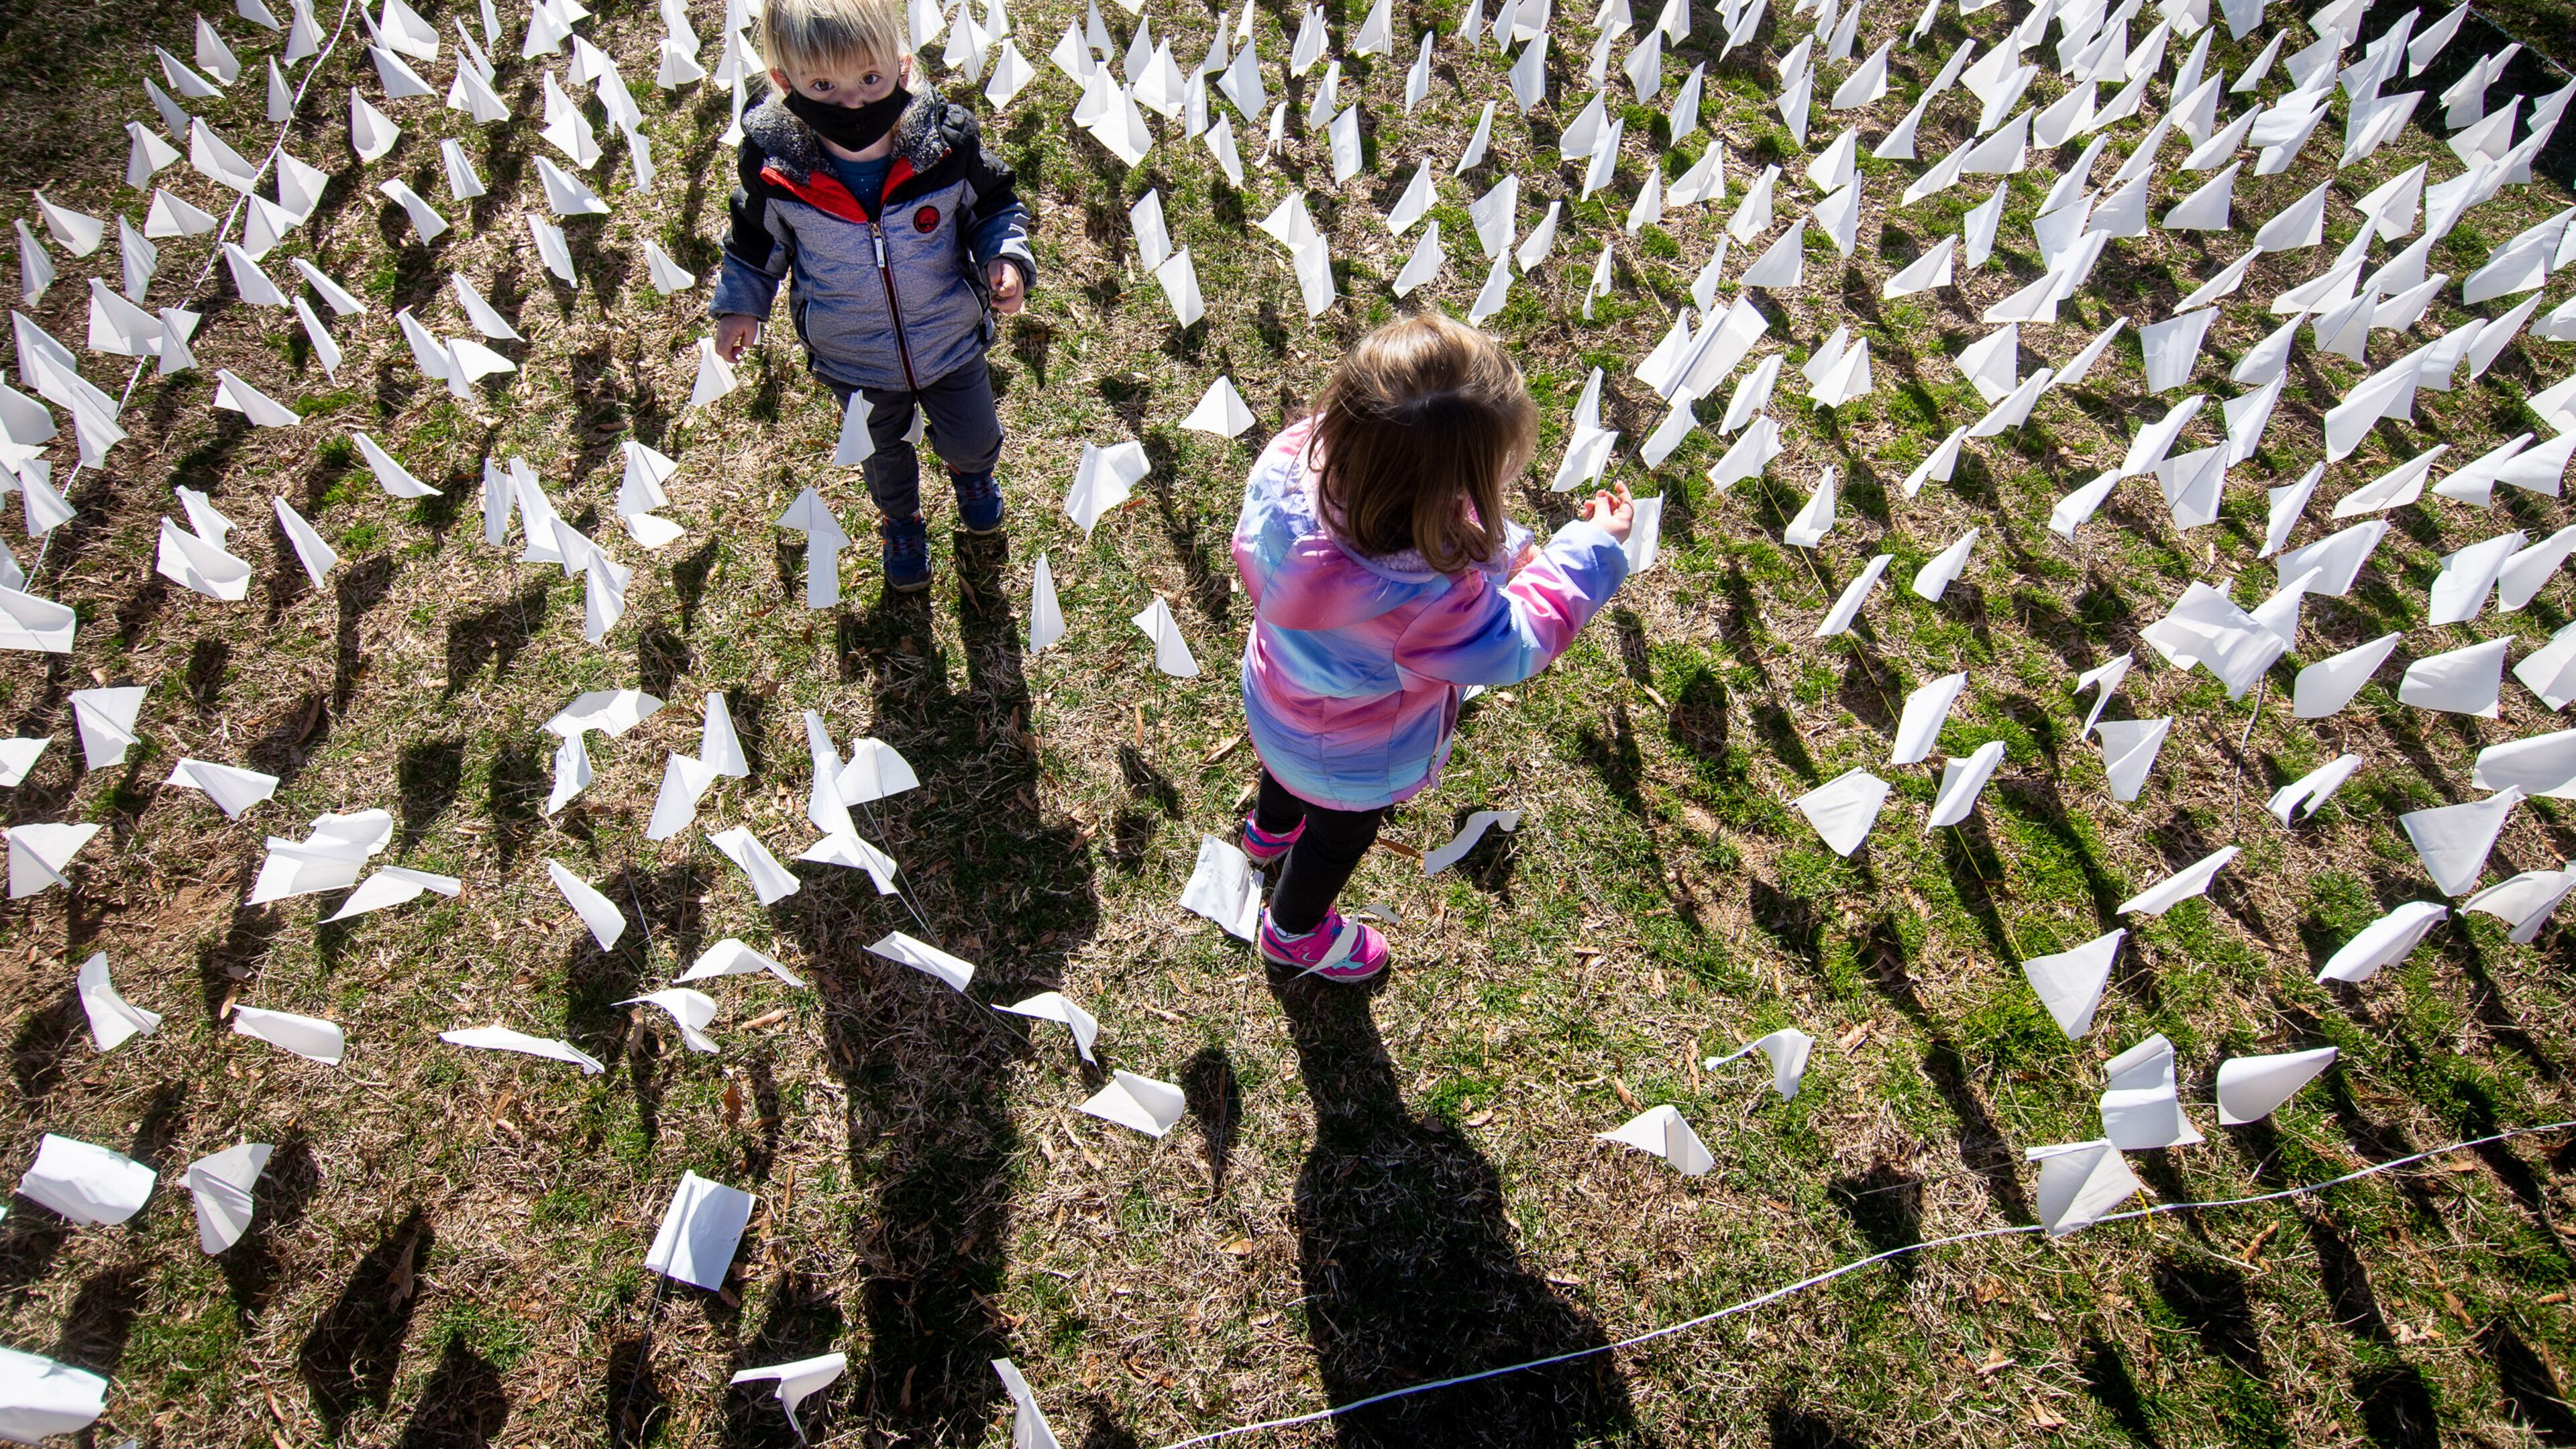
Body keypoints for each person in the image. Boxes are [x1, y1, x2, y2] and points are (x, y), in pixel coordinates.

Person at [1232, 312, 1635, 982]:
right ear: (1454, 489)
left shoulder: (1288, 464)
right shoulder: (1430, 602)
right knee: (1335, 844)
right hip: (1350, 764)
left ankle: (1269, 831)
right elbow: (1521, 638)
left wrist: (1491, 547)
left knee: (1286, 775)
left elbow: (1432, 517)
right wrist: (1589, 550)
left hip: (1276, 700)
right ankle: (1294, 935)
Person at [710, 0, 1035, 594]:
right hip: (851, 353)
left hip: (949, 338)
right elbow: (754, 240)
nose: (853, 103)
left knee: (974, 435)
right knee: (881, 453)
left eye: (869, 79)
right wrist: (742, 304)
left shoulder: (944, 145)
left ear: (902, 66)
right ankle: (902, 521)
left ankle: (972, 475)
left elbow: (995, 205)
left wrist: (1004, 256)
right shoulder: (776, 168)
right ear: (786, 83)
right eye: (823, 86)